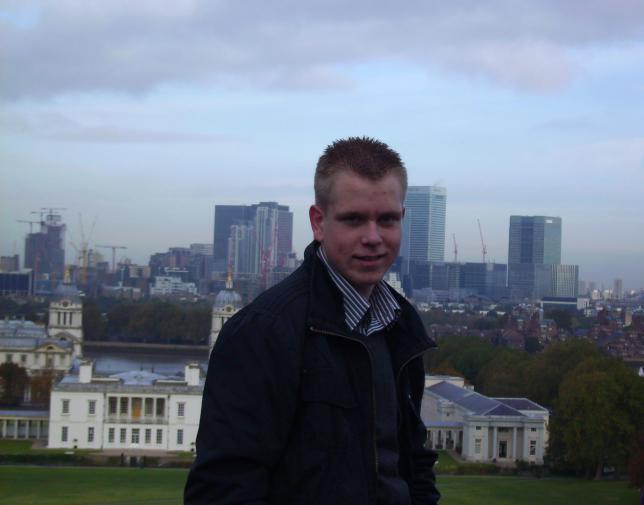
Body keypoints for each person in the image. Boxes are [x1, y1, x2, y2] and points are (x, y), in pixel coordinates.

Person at [184, 137, 440, 505]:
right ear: (318, 223)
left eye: (386, 219)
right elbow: (223, 490)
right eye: (353, 219)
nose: (372, 237)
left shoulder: (402, 323)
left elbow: (412, 462)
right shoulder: (261, 333)